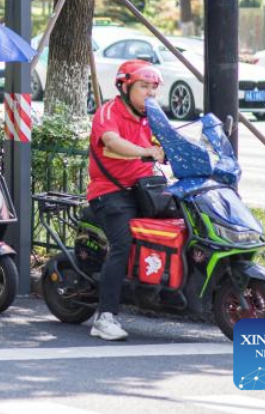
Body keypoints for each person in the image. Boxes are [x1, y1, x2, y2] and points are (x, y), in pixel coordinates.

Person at [86, 59, 167, 341]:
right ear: (125, 86)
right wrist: (146, 152)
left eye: (153, 88)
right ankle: (105, 317)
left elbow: (170, 141)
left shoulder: (151, 116)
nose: (149, 93)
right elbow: (112, 142)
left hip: (145, 189)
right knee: (122, 244)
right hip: (109, 191)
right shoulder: (109, 111)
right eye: (143, 86)